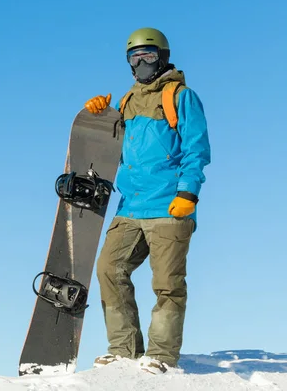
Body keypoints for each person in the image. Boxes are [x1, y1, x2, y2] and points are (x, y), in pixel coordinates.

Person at [83, 27, 211, 374]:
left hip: (170, 205)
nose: (141, 63)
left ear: (164, 57)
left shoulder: (181, 96)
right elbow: (109, 147)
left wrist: (189, 192)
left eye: (148, 56)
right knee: (110, 268)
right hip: (131, 206)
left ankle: (161, 355)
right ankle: (123, 348)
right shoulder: (126, 102)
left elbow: (196, 149)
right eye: (134, 57)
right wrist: (100, 114)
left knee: (167, 284)